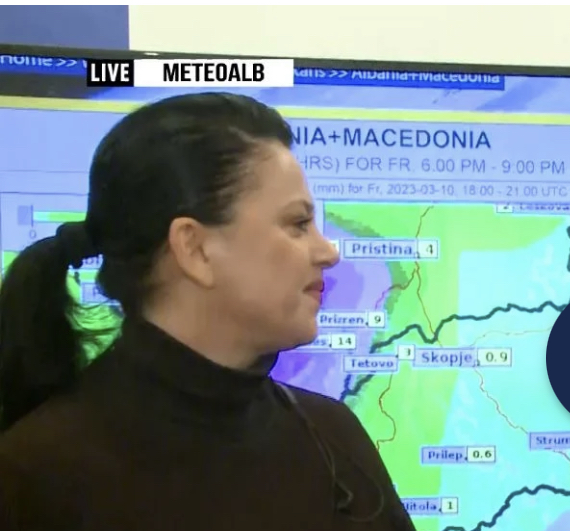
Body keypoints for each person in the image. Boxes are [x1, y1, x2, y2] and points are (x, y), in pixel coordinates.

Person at [0, 93, 416, 531]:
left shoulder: (334, 440)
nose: (328, 252)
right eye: (297, 224)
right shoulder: (35, 478)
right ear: (195, 249)